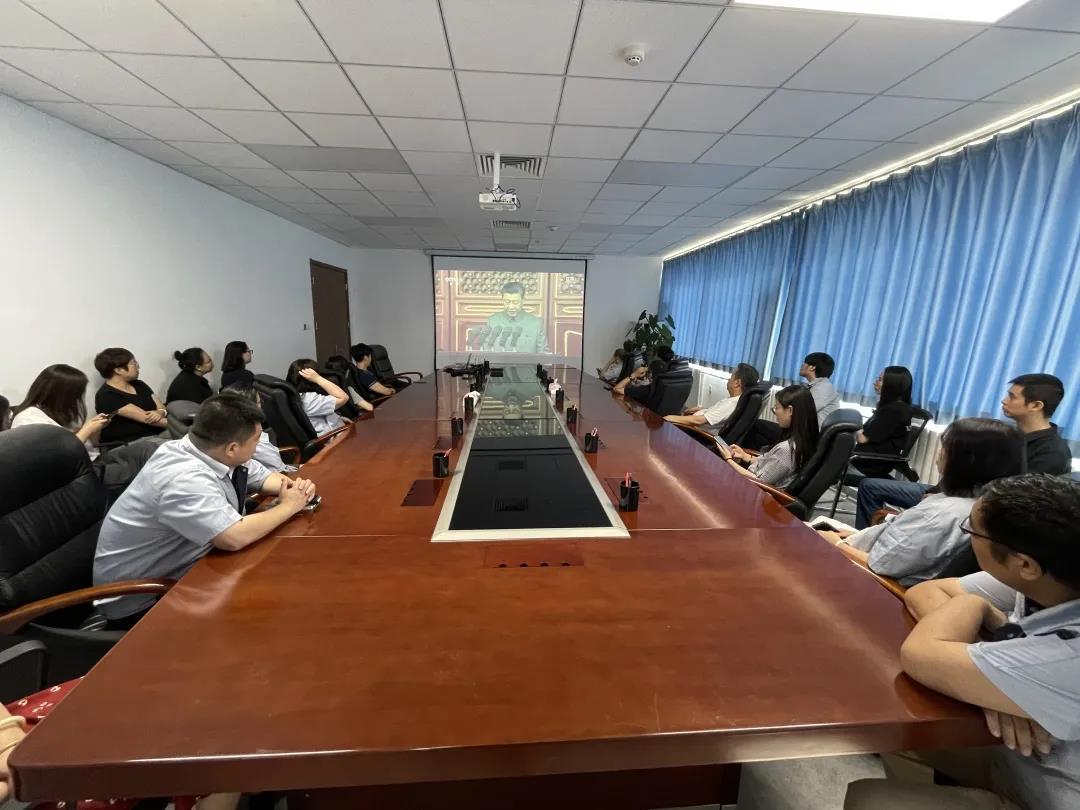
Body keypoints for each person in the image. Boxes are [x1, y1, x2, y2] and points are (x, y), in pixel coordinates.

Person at [846, 475, 1080, 810]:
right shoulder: (1053, 578)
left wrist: (969, 645)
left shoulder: (1069, 654)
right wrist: (991, 684)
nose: (968, 536)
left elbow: (920, 655)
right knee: (900, 734)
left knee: (871, 800)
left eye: (971, 530)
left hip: (1047, 792)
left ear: (1024, 564)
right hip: (1020, 758)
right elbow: (926, 592)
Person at [93, 393, 318, 626]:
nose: (259, 445)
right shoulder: (182, 477)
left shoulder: (212, 449)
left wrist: (293, 489)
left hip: (191, 567)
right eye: (257, 439)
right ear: (232, 448)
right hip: (142, 601)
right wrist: (290, 505)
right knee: (268, 615)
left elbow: (264, 478)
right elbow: (234, 537)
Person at [821, 418, 1024, 586]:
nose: (939, 452)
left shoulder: (939, 515)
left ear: (966, 460)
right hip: (869, 556)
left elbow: (878, 566)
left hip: (869, 582)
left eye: (945, 446)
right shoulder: (977, 504)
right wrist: (856, 536)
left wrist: (834, 541)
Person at [854, 372, 1072, 528]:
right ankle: (867, 539)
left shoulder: (1052, 453)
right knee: (870, 486)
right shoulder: (1006, 435)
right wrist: (937, 491)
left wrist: (942, 499)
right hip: (955, 494)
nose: (1004, 401)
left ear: (1036, 405)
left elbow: (1012, 501)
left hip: (974, 508)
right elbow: (968, 471)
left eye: (1012, 396)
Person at [717, 384, 819, 489]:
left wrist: (728, 460)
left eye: (777, 408)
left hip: (753, 490)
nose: (775, 412)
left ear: (790, 411)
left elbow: (758, 482)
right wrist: (745, 456)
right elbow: (770, 463)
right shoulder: (801, 441)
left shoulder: (786, 450)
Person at [10, 364, 111, 460]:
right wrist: (87, 429)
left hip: (88, 460)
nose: (78, 398)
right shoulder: (29, 419)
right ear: (62, 394)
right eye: (76, 393)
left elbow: (81, 442)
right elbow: (58, 455)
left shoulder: (60, 411)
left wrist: (94, 429)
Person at [92, 348, 167, 444]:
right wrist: (180, 426)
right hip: (131, 442)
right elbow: (148, 419)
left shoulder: (139, 384)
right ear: (118, 370)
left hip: (158, 435)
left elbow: (161, 407)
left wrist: (160, 412)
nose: (138, 366)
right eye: (133, 363)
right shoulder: (107, 395)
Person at [850, 366, 914, 478]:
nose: (875, 382)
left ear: (891, 385)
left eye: (880, 380)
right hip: (868, 460)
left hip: (867, 464)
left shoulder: (893, 411)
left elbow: (862, 438)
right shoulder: (898, 407)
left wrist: (854, 429)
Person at [664, 362, 760, 431]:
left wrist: (670, 418)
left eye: (731, 376)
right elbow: (717, 415)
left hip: (694, 432)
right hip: (695, 422)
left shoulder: (730, 404)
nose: (729, 379)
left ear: (737, 383)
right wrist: (703, 409)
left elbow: (698, 421)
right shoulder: (737, 399)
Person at [221, 384, 291, 472]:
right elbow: (279, 469)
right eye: (259, 402)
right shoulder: (252, 438)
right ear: (249, 407)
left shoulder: (227, 428)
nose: (261, 406)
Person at [478, 281, 549, 353]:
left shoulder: (536, 323)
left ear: (523, 300)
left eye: (515, 302)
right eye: (507, 302)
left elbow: (543, 354)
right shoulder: (493, 321)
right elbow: (486, 350)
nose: (511, 307)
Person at [285, 359, 349, 434]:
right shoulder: (309, 399)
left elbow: (318, 412)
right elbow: (343, 398)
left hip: (337, 428)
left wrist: (338, 418)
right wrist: (318, 378)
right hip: (333, 437)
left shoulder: (293, 394)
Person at [801, 351, 839, 424]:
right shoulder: (817, 385)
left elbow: (802, 410)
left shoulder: (824, 388)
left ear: (812, 367)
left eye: (804, 363)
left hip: (813, 430)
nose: (802, 365)